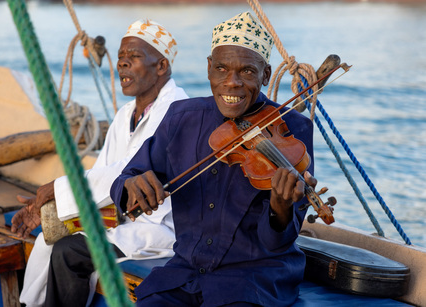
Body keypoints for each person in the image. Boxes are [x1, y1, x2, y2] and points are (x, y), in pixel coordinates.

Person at [110, 12, 316, 306]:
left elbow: (277, 243)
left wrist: (280, 207)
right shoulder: (182, 118)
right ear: (209, 68)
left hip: (253, 281)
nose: (231, 83)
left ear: (266, 75)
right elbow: (126, 179)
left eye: (246, 71)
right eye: (221, 68)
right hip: (185, 273)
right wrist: (132, 185)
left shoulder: (292, 128)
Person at [10, 19, 188, 307]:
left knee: (70, 251)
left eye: (134, 57)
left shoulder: (179, 112)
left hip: (159, 226)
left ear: (162, 66)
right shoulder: (125, 114)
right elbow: (103, 174)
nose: (122, 65)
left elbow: (128, 173)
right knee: (48, 238)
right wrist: (49, 211)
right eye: (120, 58)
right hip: (119, 216)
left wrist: (58, 188)